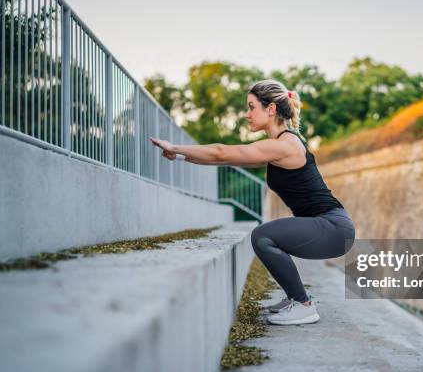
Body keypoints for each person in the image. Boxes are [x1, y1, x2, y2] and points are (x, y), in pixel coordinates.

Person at [149, 79, 356, 326]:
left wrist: (174, 146)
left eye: (251, 107)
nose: (247, 115)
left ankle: (303, 305)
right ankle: (295, 298)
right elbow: (221, 159)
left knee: (263, 236)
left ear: (270, 109)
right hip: (328, 225)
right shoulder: (280, 143)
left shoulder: (285, 145)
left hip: (333, 228)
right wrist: (181, 155)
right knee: (266, 235)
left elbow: (220, 152)